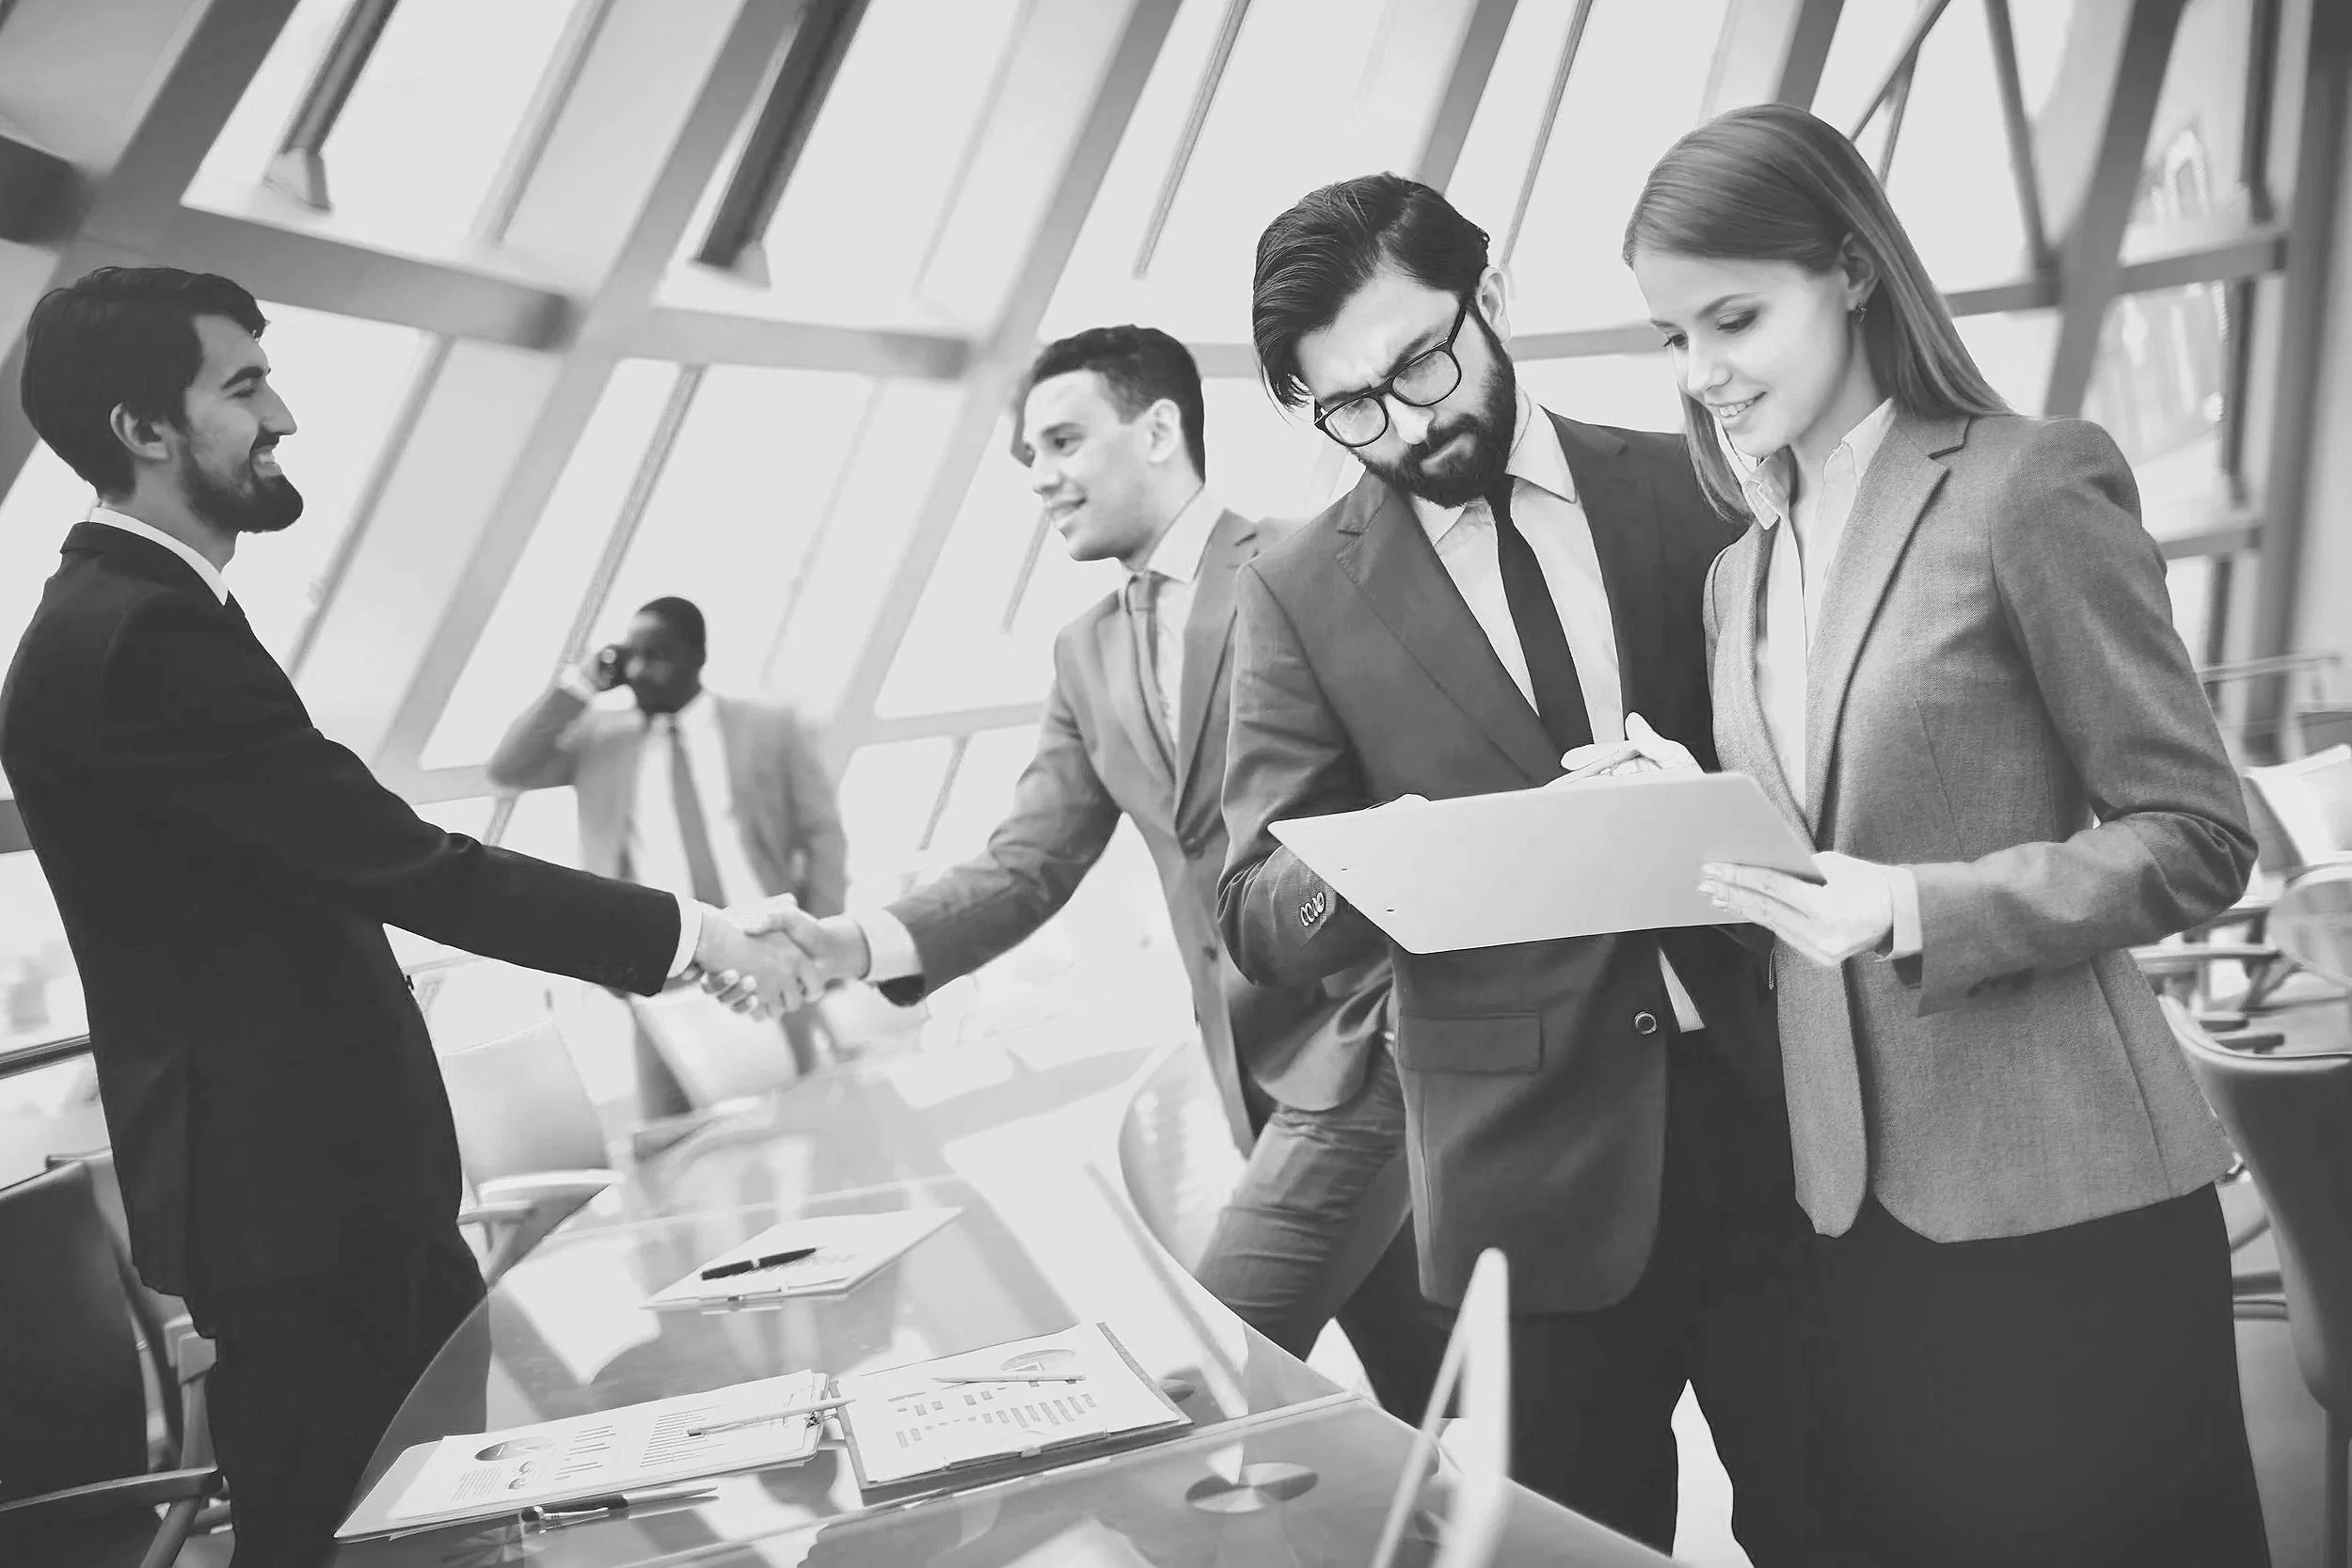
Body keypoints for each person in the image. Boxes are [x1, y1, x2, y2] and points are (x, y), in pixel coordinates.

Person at [0, 266, 814, 1568]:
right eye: (244, 383)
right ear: (141, 431)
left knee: (407, 1527)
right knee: (355, 1535)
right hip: (296, 1200)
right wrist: (695, 936)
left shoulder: (139, 617)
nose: (286, 416)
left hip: (311, 1185)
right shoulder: (137, 636)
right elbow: (406, 861)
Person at [1622, 103, 2269, 1567]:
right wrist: (1687, 806)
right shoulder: (1741, 572)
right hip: (1847, 1215)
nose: (1703, 372)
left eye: (1734, 317)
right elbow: (1814, 866)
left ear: (1851, 270)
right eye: (1671, 335)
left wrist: (1916, 905)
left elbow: (2193, 831)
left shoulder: (2024, 482)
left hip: (2058, 1194)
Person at [1218, 174, 1817, 1561]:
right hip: (1529, 1195)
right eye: (1348, 407)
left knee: (1846, 1521)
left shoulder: (1699, 483)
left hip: (1780, 1122)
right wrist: (1412, 858)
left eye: (1421, 362)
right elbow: (1257, 906)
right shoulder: (1297, 586)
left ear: (1489, 299)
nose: (1405, 420)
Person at [754, 325, 1445, 1415]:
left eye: (1063, 441)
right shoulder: (1085, 650)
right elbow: (1029, 863)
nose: (1040, 478)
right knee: (1432, 1405)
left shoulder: (1315, 563)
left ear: (1160, 426)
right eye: (1027, 456)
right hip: (1257, 1077)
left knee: (1215, 1376)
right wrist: (847, 942)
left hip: (1376, 1051)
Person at [488, 594, 848, 1094]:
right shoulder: (601, 741)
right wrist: (582, 684)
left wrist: (821, 941)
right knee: (676, 1139)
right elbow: (508, 769)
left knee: (796, 1110)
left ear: (697, 657)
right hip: (662, 966)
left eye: (655, 656)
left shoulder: (765, 727)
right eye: (630, 656)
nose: (638, 670)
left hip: (766, 954)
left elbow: (823, 832)